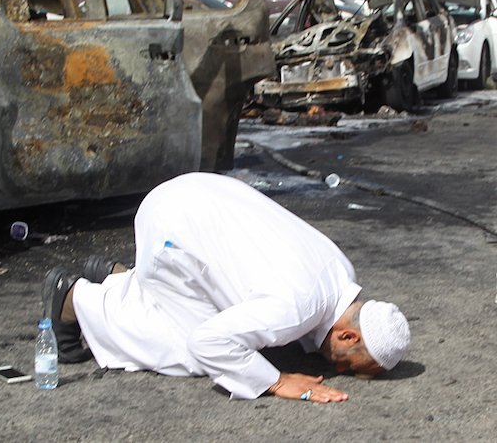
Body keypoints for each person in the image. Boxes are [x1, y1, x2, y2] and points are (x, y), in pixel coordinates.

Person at [41, 172, 410, 403]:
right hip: (170, 227)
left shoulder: (341, 272)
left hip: (196, 193)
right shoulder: (295, 308)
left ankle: (123, 279)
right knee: (190, 353)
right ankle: (76, 298)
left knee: (227, 318)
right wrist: (276, 380)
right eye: (348, 365)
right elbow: (208, 343)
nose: (339, 372)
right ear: (346, 337)